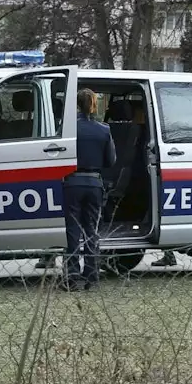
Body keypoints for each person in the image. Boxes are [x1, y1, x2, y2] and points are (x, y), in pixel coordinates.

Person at [63, 89, 116, 290]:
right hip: (94, 183)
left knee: (73, 231)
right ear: (93, 104)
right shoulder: (104, 130)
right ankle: (92, 277)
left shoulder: (69, 129)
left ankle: (72, 277)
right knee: (91, 231)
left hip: (73, 182)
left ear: (76, 104)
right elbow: (111, 161)